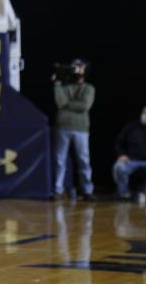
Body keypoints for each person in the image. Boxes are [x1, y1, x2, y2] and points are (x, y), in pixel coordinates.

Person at [53, 60, 95, 200]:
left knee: (83, 160)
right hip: (63, 127)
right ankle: (58, 190)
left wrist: (67, 105)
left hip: (81, 128)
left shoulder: (89, 88)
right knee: (60, 160)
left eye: (80, 68)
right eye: (75, 68)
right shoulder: (63, 86)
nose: (77, 70)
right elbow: (59, 101)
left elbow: (84, 106)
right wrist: (57, 83)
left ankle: (87, 190)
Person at [113, 105, 146, 205]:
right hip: (131, 160)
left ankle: (144, 192)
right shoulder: (131, 127)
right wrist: (121, 154)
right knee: (118, 167)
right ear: (141, 114)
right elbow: (119, 142)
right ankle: (124, 194)